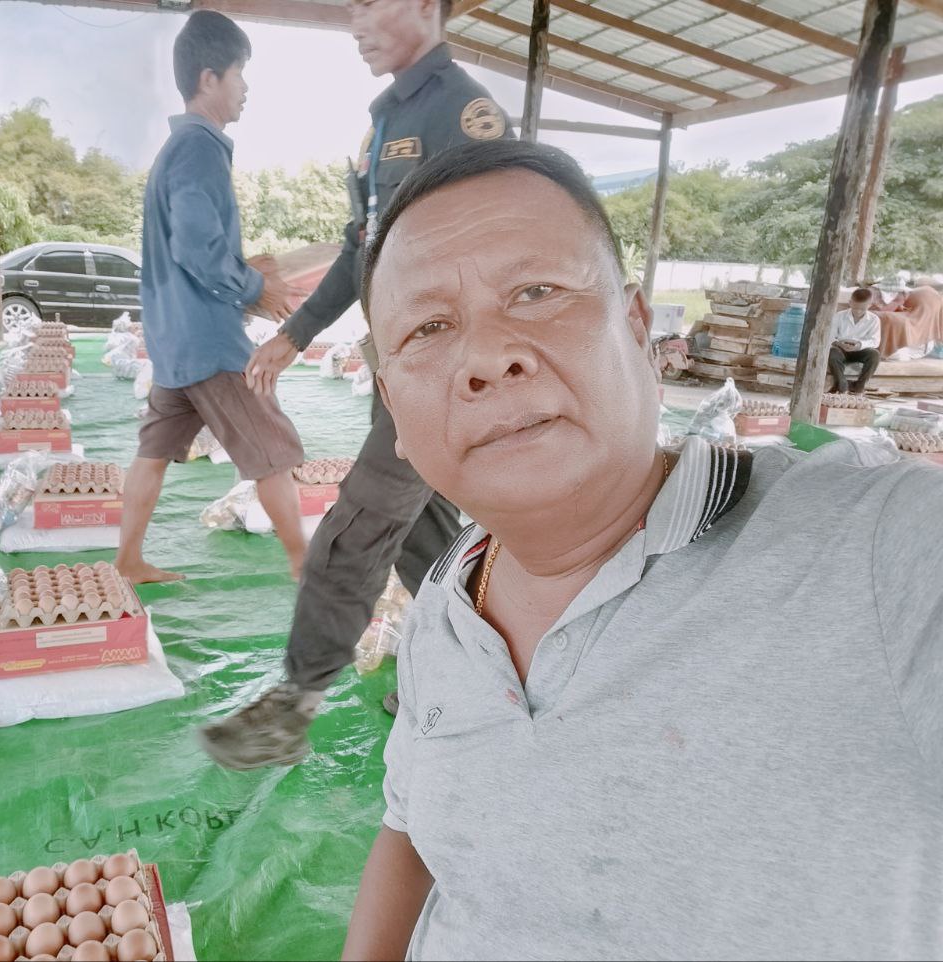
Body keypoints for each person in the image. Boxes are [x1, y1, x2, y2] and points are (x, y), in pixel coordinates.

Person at [343, 138, 943, 961]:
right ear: (393, 410)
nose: (486, 355)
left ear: (635, 328)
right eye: (429, 327)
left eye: (536, 292)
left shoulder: (879, 553)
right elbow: (408, 830)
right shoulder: (447, 605)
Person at [198, 0, 513, 770]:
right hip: (396, 363)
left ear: (428, 8)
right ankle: (471, 676)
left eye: (375, 4)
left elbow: (505, 243)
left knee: (363, 520)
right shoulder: (385, 123)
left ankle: (294, 704)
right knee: (428, 537)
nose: (358, 22)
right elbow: (360, 248)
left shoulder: (463, 116)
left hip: (440, 369)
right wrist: (296, 332)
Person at [115, 11, 307, 585]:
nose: (245, 88)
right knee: (272, 451)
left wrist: (246, 274)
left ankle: (128, 560)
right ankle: (305, 567)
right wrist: (256, 287)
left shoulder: (176, 151)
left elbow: (190, 247)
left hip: (173, 341)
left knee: (152, 452)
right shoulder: (199, 148)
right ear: (208, 79)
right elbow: (198, 247)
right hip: (209, 341)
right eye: (239, 74)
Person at [829, 287, 881, 393]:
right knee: (832, 352)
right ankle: (842, 384)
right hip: (840, 349)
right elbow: (830, 336)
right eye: (855, 308)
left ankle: (859, 387)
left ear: (870, 305)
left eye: (862, 309)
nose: (858, 311)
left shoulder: (874, 319)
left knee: (875, 354)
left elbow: (875, 341)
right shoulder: (839, 316)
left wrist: (859, 345)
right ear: (850, 303)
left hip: (860, 350)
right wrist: (839, 343)